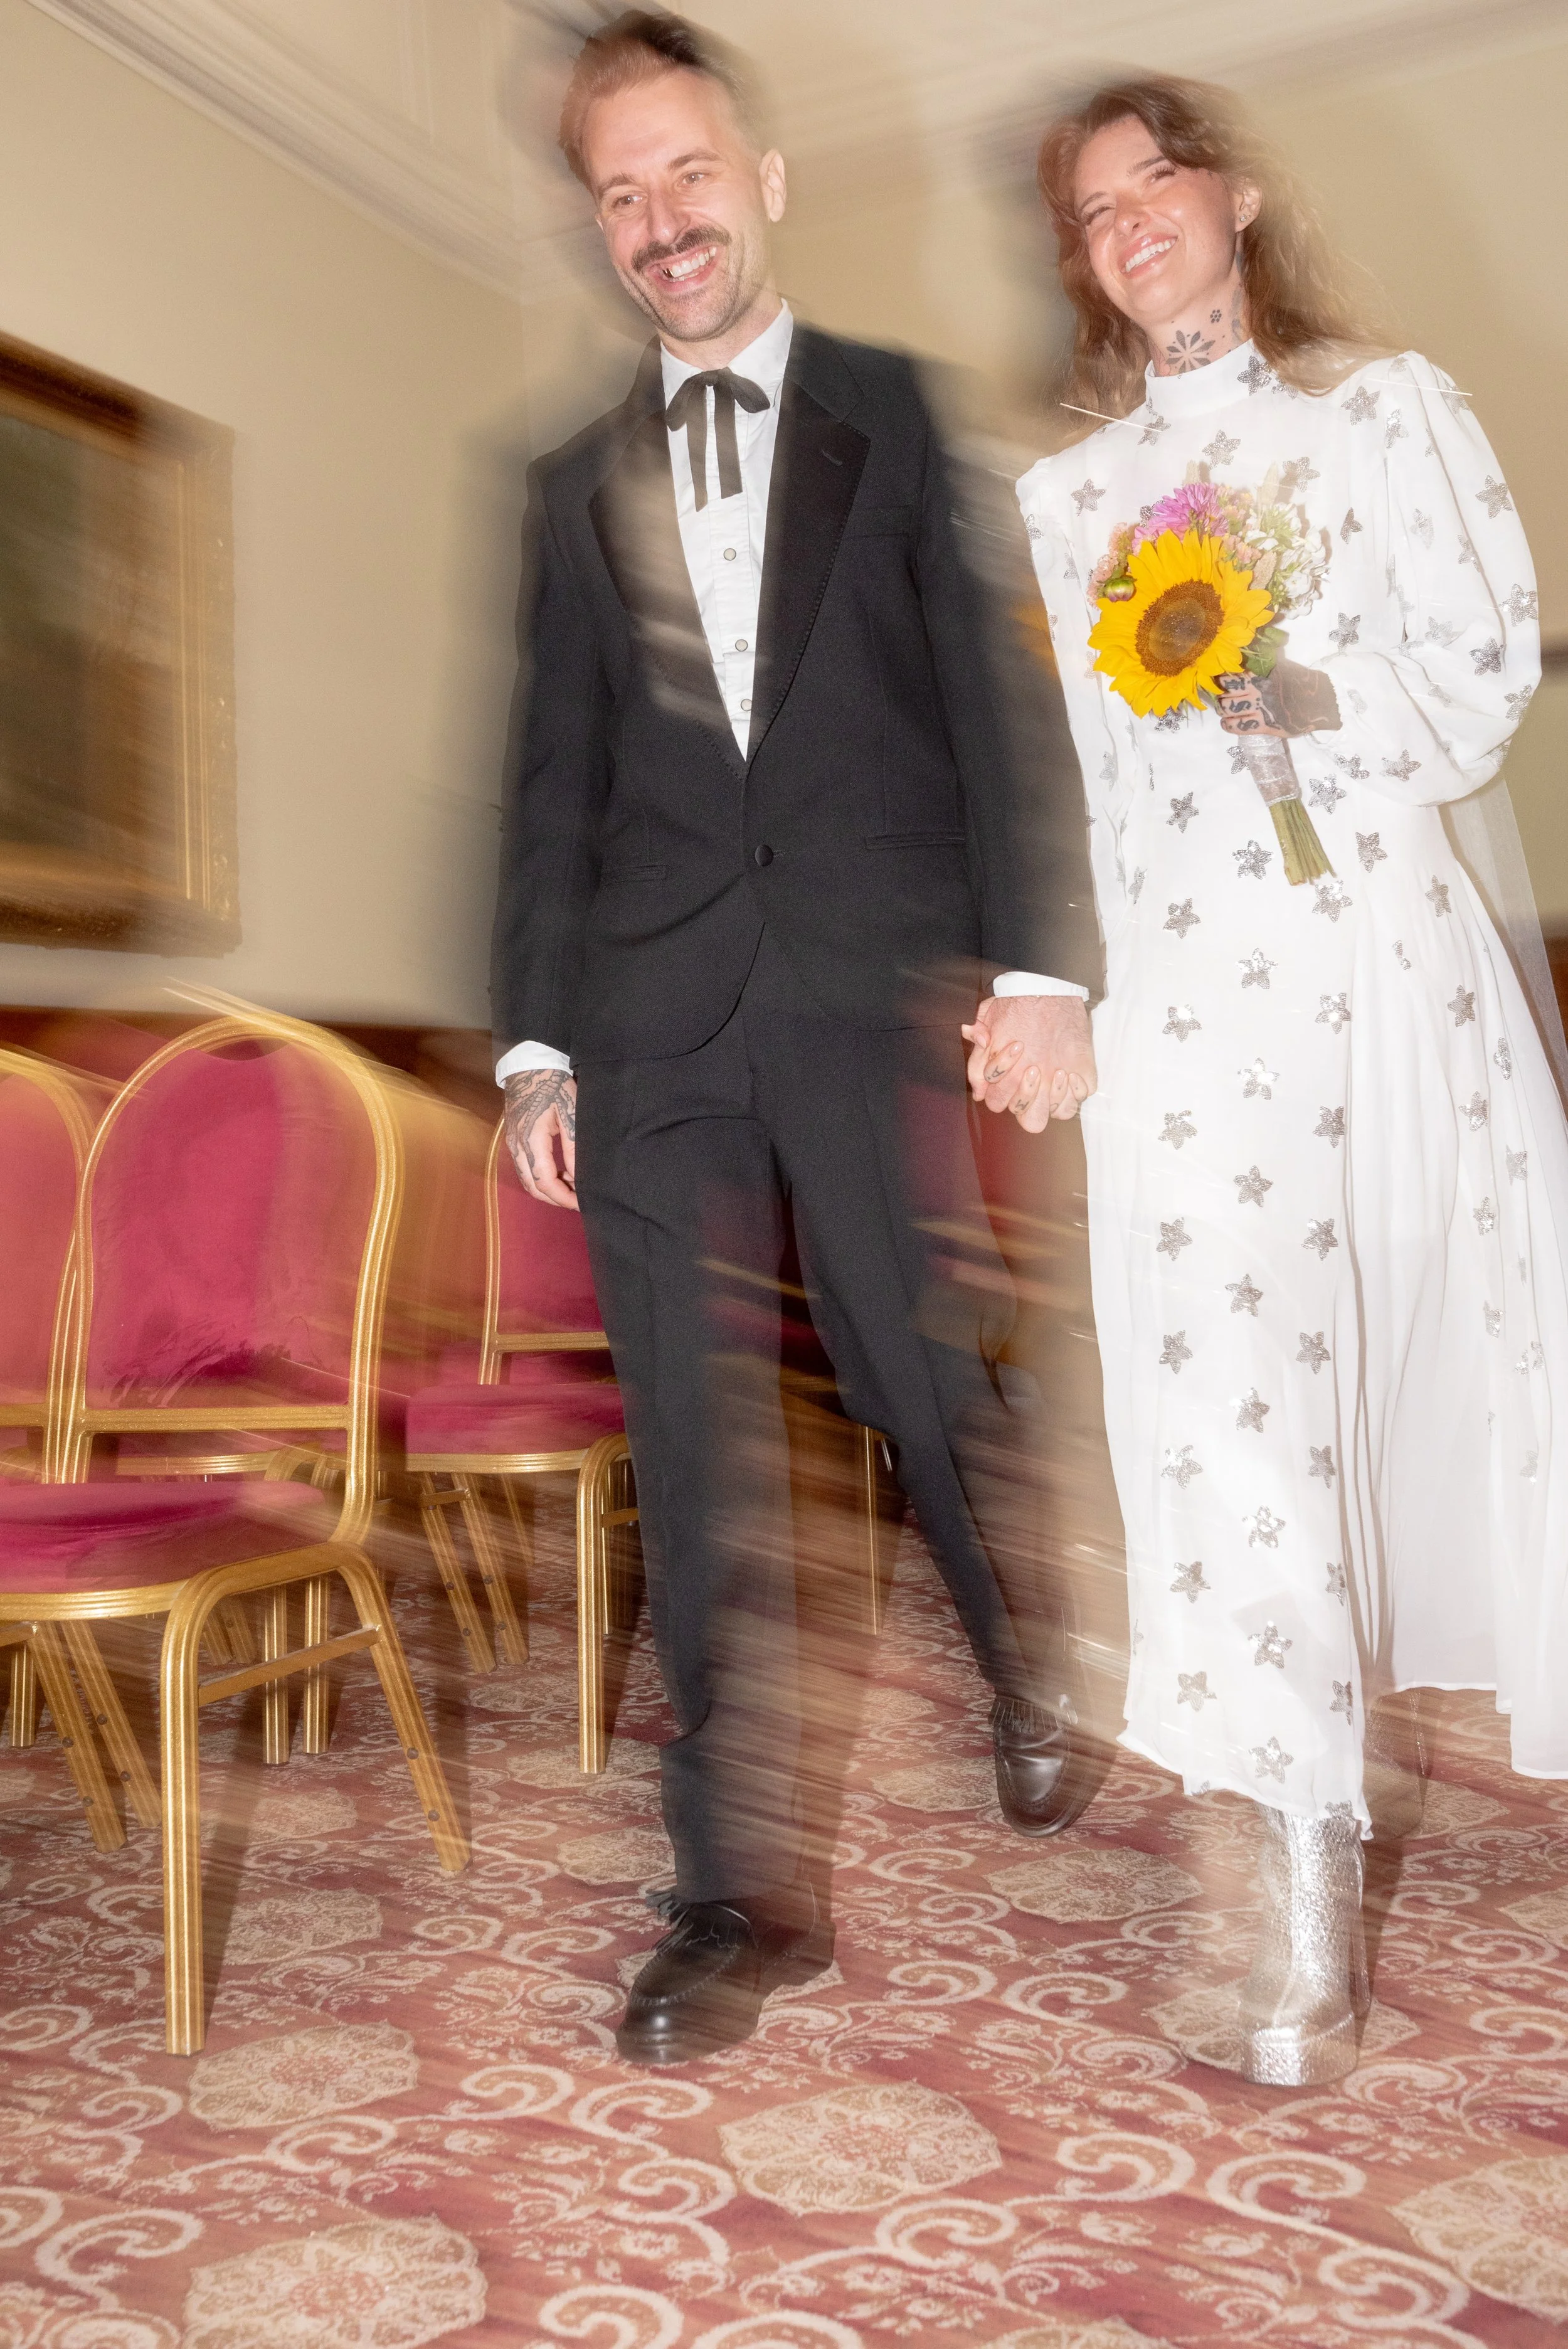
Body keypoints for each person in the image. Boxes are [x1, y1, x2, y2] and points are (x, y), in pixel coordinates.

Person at [491, 11, 1104, 2066]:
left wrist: (1038, 967)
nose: (660, 220)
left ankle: (1025, 1641)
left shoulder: (904, 418)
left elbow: (997, 708)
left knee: (903, 1363)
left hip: (862, 976)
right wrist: (532, 1047)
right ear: (601, 225)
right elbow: (546, 773)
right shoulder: (567, 480)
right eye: (620, 192)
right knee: (694, 1449)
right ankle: (739, 1903)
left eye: (687, 173)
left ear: (761, 179)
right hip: (651, 1014)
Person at [1005, 72, 1568, 2086]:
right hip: (1182, 1002)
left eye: (1154, 180)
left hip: (1371, 965)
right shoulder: (1064, 509)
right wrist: (1054, 984)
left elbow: (1491, 663)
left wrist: (1304, 688)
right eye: (1091, 209)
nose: (1130, 221)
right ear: (1079, 259)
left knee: (1396, 1382)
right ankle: (1290, 1888)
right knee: (1218, 1408)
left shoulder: (1379, 413)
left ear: (1231, 199)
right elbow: (1065, 792)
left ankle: (1340, 1817)